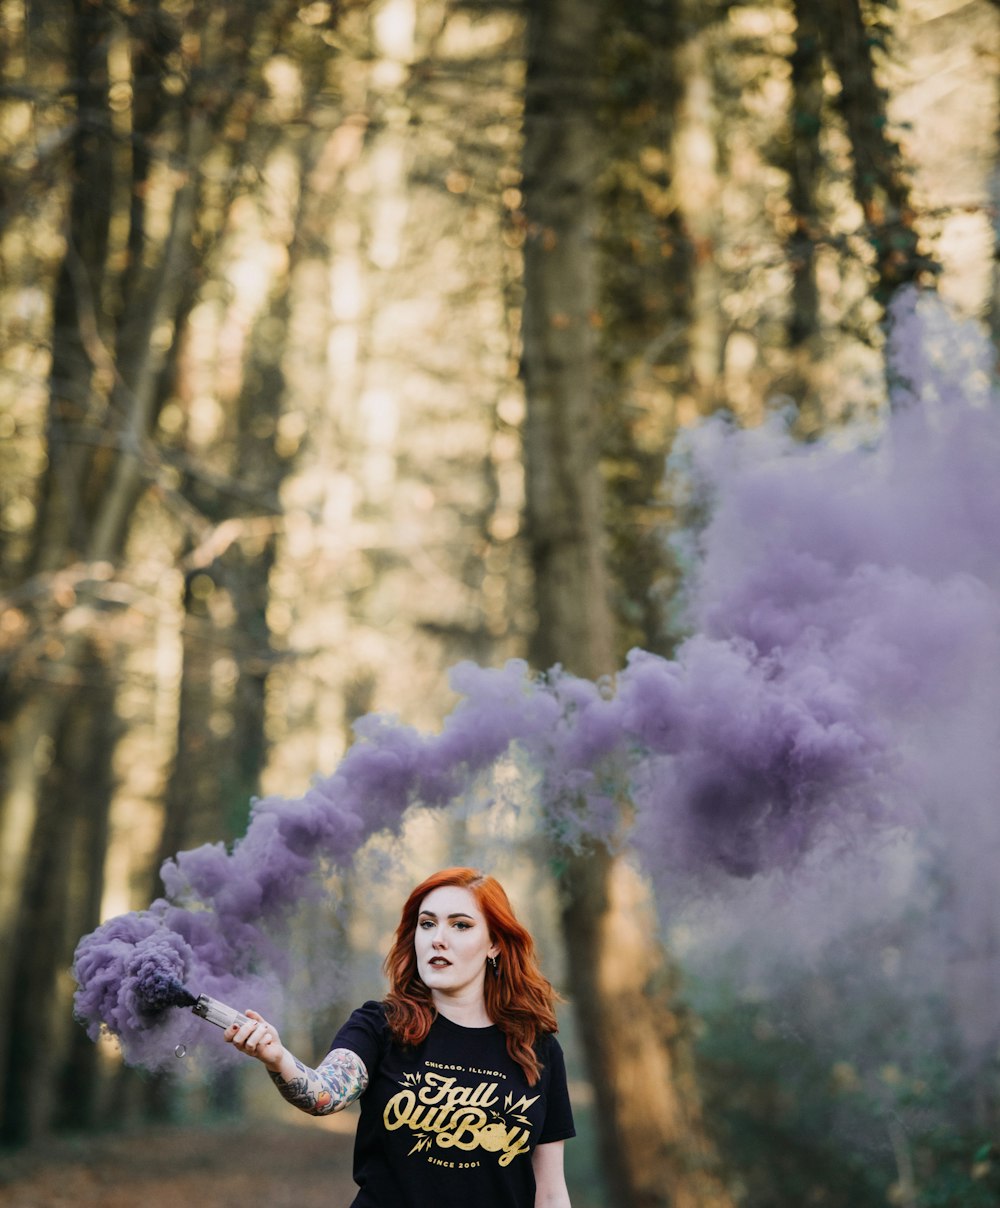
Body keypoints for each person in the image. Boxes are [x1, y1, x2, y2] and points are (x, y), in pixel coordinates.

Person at [226, 866, 575, 1208]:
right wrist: (277, 1058)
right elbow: (324, 1094)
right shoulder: (381, 1026)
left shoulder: (535, 1048)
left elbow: (551, 1192)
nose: (438, 938)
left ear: (495, 944)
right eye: (427, 924)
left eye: (461, 925)